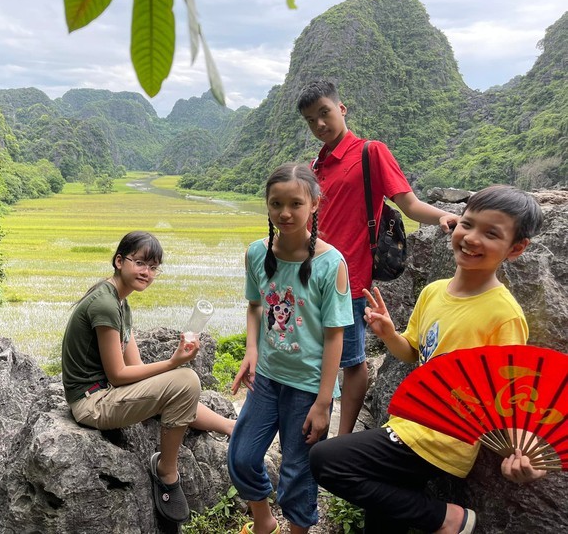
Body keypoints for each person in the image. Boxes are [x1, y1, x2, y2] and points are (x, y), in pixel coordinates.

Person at [309, 185, 547, 533]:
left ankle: (447, 519)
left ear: (516, 248)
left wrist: (528, 456)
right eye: (468, 224)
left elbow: (512, 394)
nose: (471, 238)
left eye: (491, 233)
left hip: (442, 437)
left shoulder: (503, 314)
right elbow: (414, 353)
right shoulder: (434, 292)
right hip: (409, 422)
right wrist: (390, 334)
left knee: (326, 460)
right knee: (382, 522)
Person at [297, 80, 461, 435]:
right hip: (312, 276)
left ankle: (342, 439)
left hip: (350, 279)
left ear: (341, 109)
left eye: (324, 113)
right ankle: (312, 422)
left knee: (353, 361)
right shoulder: (316, 165)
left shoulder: (370, 152)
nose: (319, 124)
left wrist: (444, 217)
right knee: (315, 353)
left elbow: (409, 204)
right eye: (311, 120)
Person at [61, 230, 236, 524]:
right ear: (119, 261)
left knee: (179, 386)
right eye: (140, 263)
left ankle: (232, 427)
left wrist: (173, 366)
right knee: (186, 381)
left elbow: (137, 371)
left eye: (153, 267)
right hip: (92, 403)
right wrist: (173, 363)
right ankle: (166, 471)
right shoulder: (104, 304)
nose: (147, 272)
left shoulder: (120, 303)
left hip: (105, 394)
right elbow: (118, 375)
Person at [228, 164, 353, 534]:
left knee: (298, 471)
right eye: (276, 203)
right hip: (267, 376)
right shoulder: (256, 253)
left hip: (307, 385)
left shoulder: (331, 264)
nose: (285, 212)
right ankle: (264, 522)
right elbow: (255, 306)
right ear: (266, 205)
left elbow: (335, 335)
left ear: (314, 204)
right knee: (241, 455)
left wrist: (323, 402)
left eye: (295, 203)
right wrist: (252, 349)